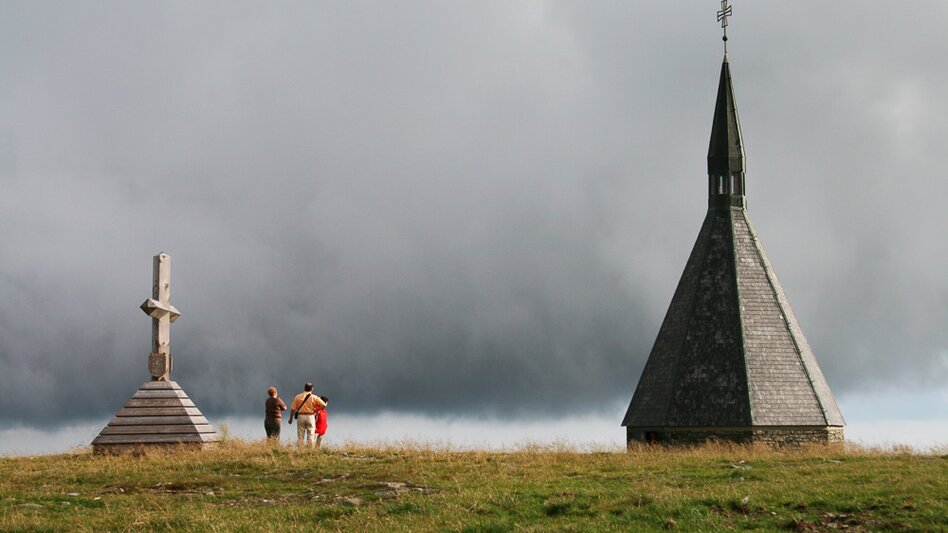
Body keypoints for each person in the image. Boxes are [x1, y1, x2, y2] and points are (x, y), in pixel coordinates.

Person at [289, 383, 327, 448]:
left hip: (301, 416)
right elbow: (324, 404)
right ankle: (310, 450)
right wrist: (317, 410)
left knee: (300, 435)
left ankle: (300, 450)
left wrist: (291, 418)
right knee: (311, 435)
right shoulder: (314, 397)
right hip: (310, 416)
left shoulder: (298, 396)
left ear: (304, 388)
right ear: (312, 389)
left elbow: (293, 409)